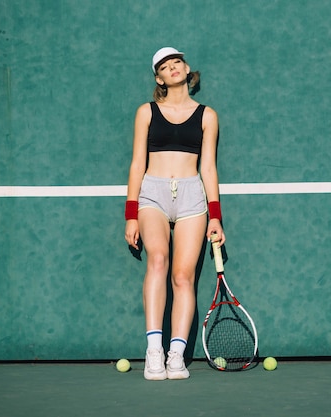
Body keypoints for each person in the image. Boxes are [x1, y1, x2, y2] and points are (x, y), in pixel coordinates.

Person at [124, 47, 225, 380]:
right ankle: (154, 351)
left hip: (192, 197)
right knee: (157, 261)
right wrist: (131, 213)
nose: (172, 68)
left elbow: (208, 168)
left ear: (186, 68)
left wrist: (215, 215)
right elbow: (137, 163)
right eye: (165, 67)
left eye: (176, 62)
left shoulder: (207, 115)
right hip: (152, 193)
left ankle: (175, 356)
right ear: (159, 78)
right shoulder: (146, 112)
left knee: (183, 276)